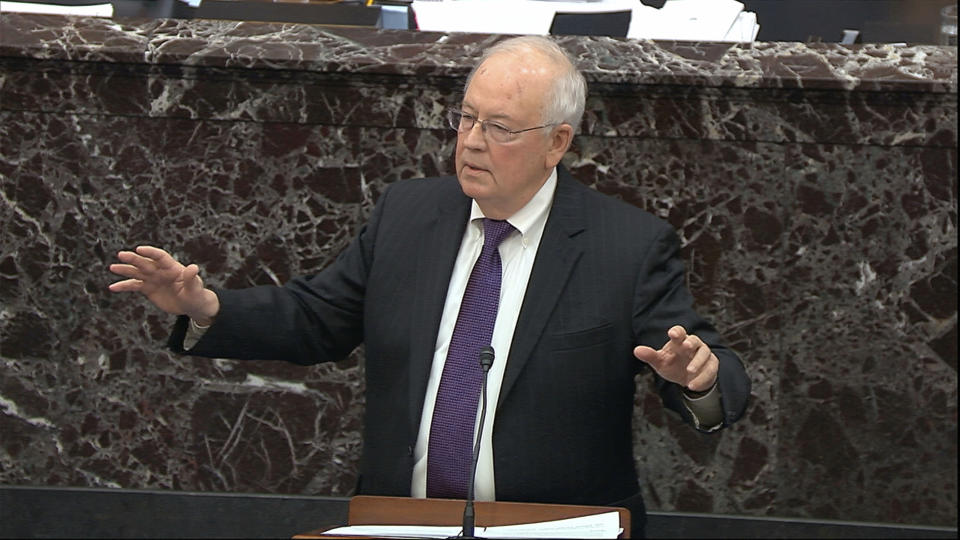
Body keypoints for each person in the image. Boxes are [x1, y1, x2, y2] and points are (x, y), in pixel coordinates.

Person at [109, 35, 750, 538]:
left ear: (557, 142)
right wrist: (204, 306)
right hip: (401, 523)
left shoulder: (627, 246)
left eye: (499, 128)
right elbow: (315, 316)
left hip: (555, 530)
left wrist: (698, 378)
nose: (471, 142)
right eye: (467, 118)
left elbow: (706, 370)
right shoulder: (409, 215)